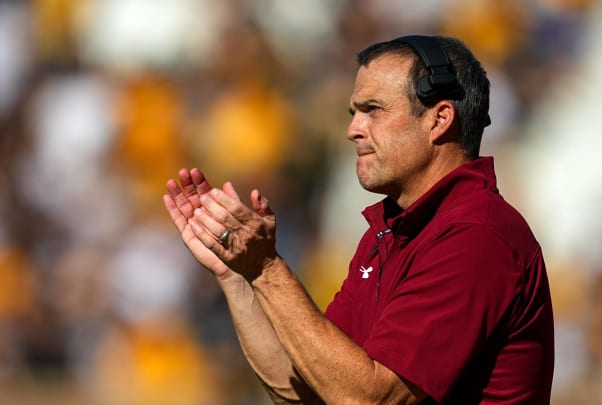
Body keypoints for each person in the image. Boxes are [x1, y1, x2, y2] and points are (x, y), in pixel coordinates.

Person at [163, 34, 554, 404]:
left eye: (373, 111)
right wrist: (239, 275)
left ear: (439, 119)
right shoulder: (391, 231)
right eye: (354, 113)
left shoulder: (475, 236)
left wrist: (267, 269)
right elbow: (303, 388)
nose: (353, 130)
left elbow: (369, 399)